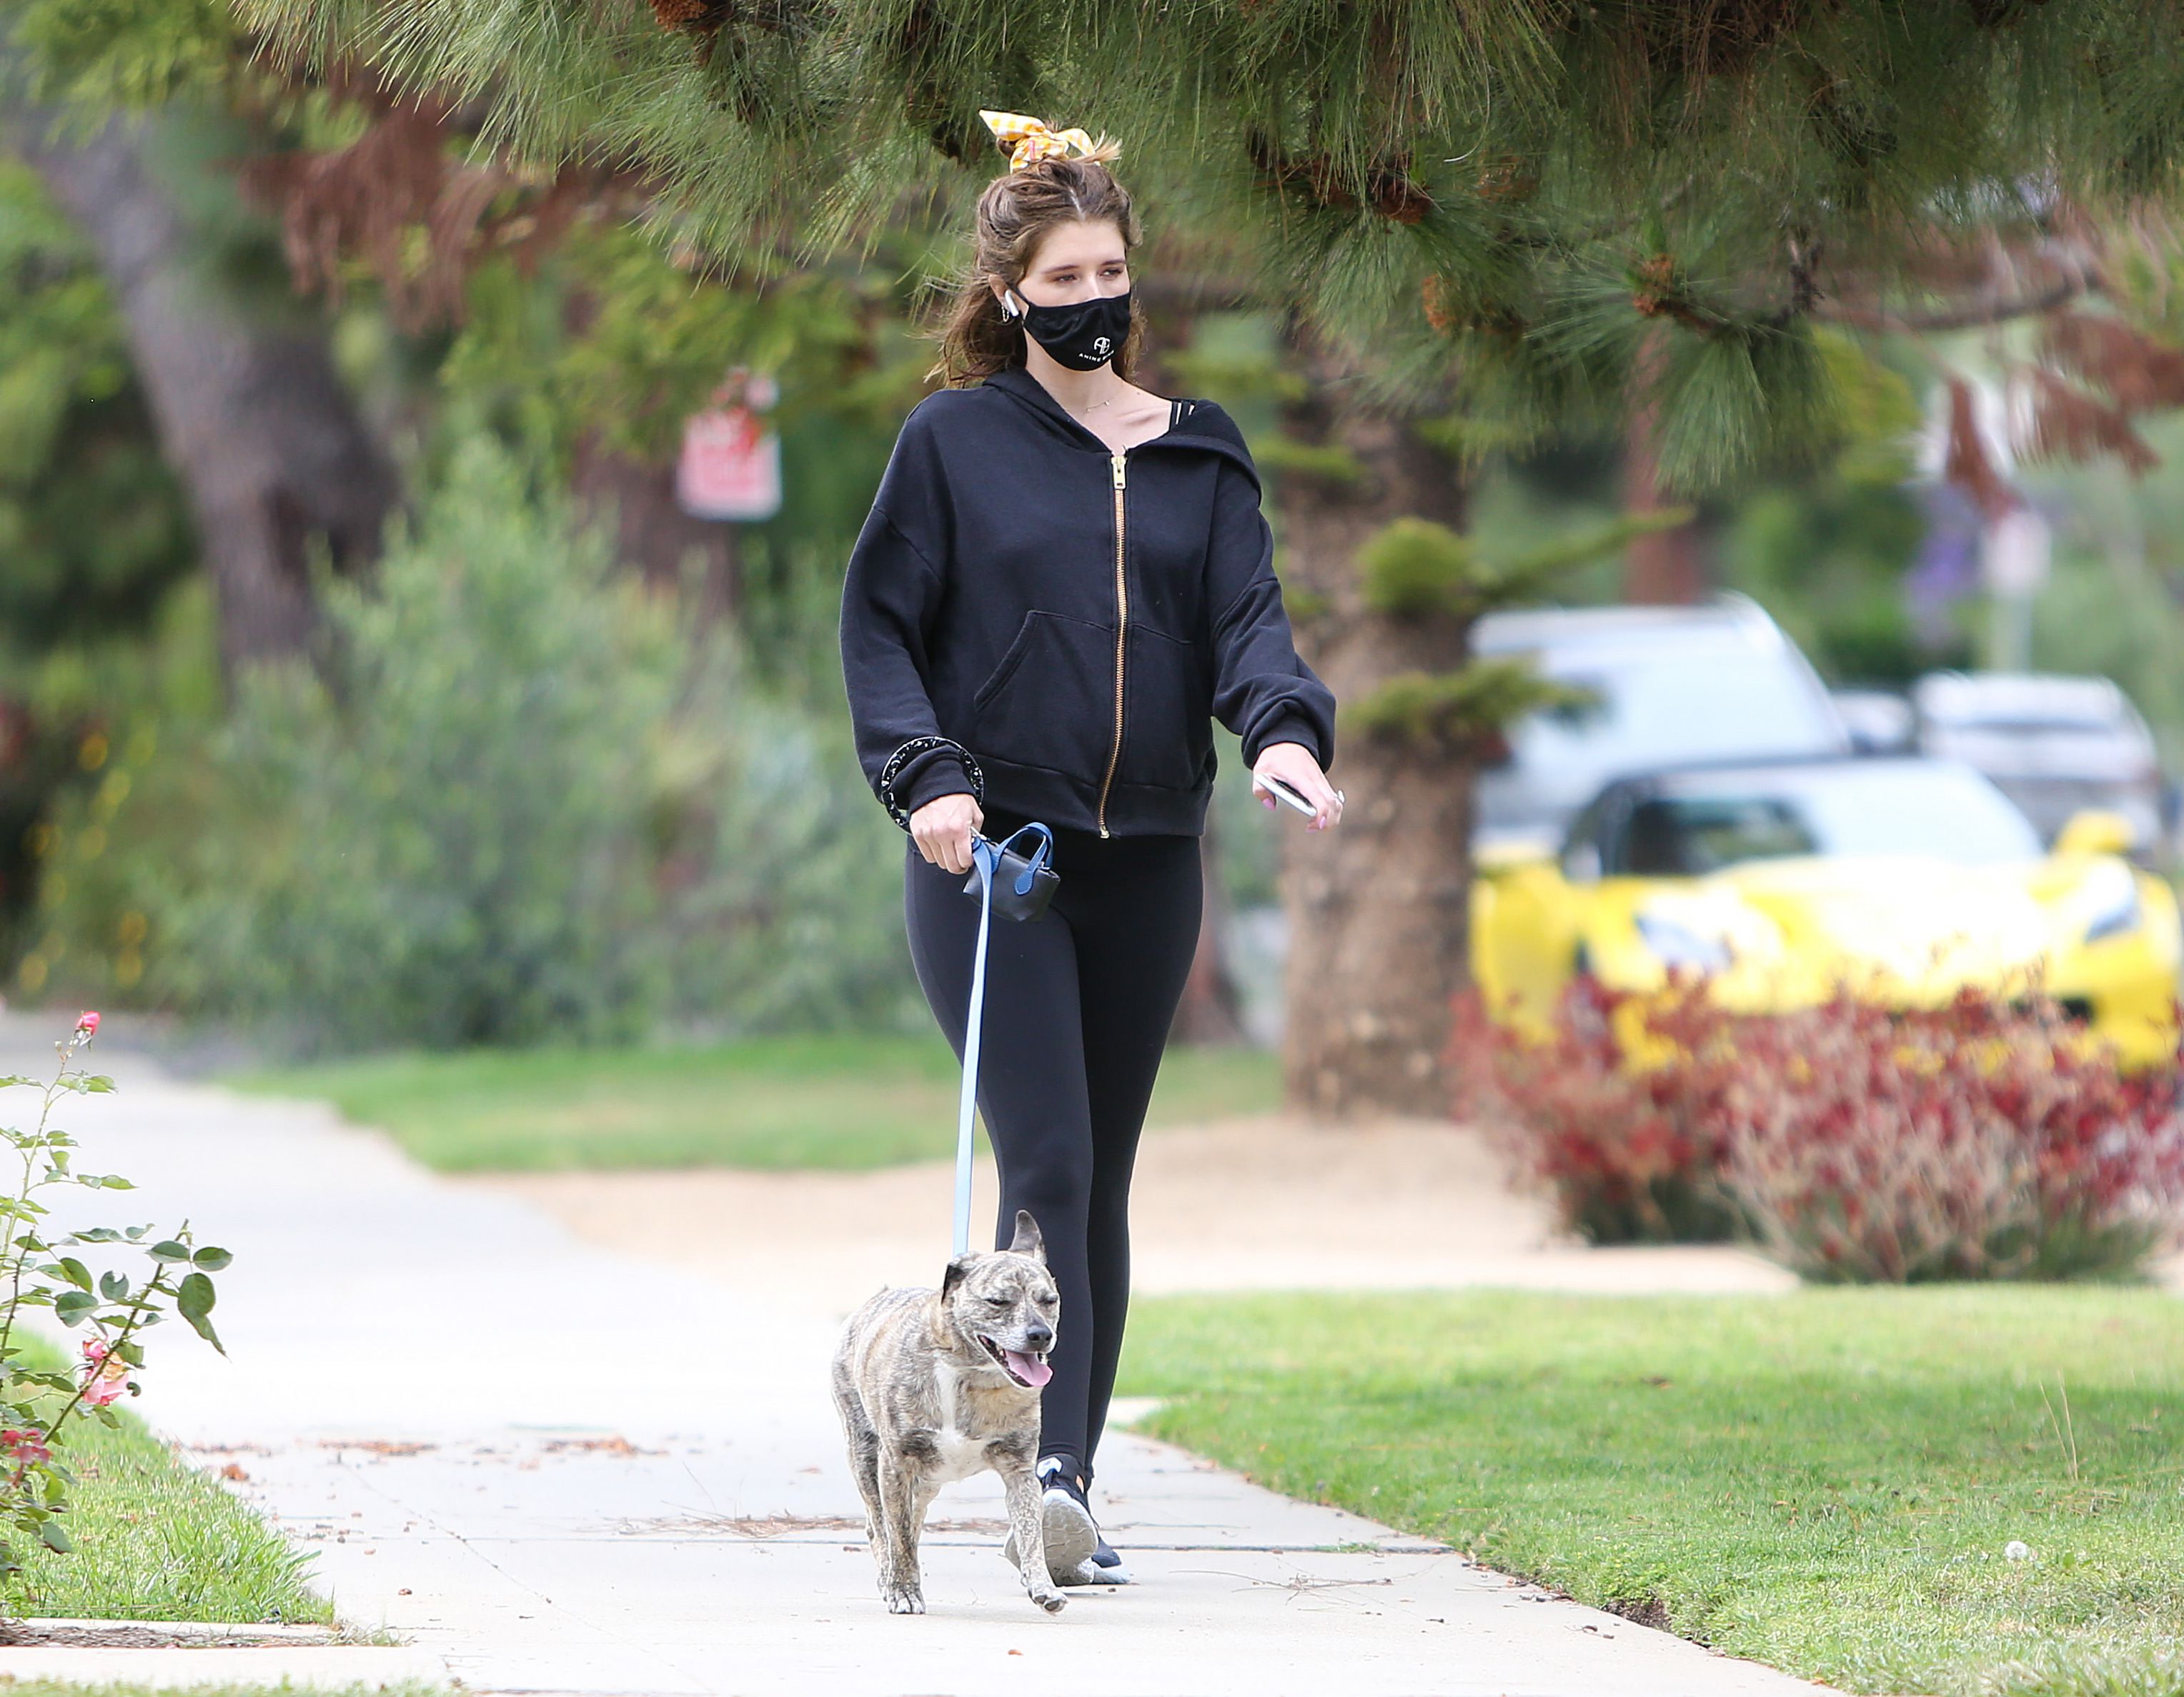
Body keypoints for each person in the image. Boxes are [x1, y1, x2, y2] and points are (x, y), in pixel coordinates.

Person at [838, 108, 1342, 1586]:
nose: (1089, 301)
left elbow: (1249, 626)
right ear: (1011, 297)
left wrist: (1287, 734)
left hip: (1147, 857)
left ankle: (1059, 1475)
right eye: (1059, 281)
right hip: (991, 858)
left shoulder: (1199, 455)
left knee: (1099, 1175)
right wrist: (926, 777)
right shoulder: (951, 446)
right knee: (1045, 1158)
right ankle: (1017, 1459)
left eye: (1109, 270)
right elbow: (878, 628)